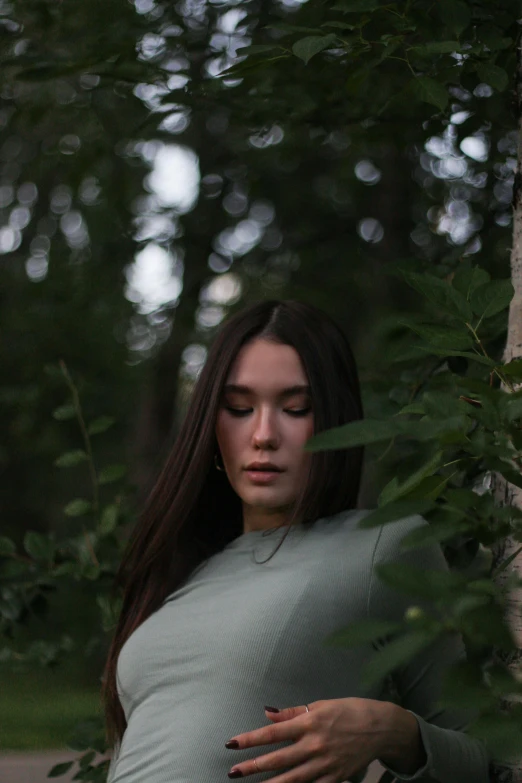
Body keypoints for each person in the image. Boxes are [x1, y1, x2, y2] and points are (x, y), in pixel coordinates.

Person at [103, 299, 490, 783]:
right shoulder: (185, 568)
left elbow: (484, 762)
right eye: (240, 408)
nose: (263, 435)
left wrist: (391, 731)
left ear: (334, 420)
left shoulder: (383, 545)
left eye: (295, 408)